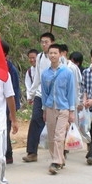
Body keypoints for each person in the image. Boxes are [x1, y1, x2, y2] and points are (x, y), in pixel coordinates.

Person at [40, 44, 76, 174]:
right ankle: (59, 159)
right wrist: (44, 109)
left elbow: (71, 92)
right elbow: (44, 93)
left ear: (60, 54)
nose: (53, 55)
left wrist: (71, 111)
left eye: (55, 53)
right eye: (51, 53)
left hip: (63, 107)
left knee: (59, 135)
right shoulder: (45, 74)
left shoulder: (67, 72)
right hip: (50, 107)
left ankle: (55, 162)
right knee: (51, 136)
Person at [23, 33, 57, 163]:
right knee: (35, 120)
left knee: (55, 124)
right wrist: (31, 94)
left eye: (46, 42)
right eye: (42, 42)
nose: (44, 44)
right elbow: (36, 76)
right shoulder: (40, 57)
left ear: (52, 42)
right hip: (40, 94)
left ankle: (59, 152)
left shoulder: (59, 58)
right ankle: (32, 152)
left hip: (54, 96)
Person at [2, 40, 20, 164]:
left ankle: (8, 155)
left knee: (5, 131)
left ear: (5, 54)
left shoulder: (11, 69)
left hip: (7, 107)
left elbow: (15, 90)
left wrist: (13, 112)